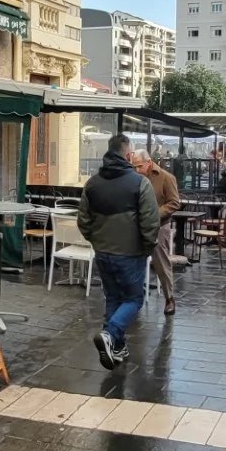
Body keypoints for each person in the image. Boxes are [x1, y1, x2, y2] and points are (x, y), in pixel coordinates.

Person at [79, 134, 160, 370]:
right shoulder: (139, 183)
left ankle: (117, 347)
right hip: (130, 252)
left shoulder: (92, 184)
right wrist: (146, 247)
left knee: (113, 297)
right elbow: (150, 221)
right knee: (134, 299)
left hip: (103, 252)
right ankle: (110, 334)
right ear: (128, 155)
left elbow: (83, 220)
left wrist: (96, 240)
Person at [133, 150, 181, 316]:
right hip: (138, 226)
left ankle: (169, 298)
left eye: (139, 166)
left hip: (159, 226)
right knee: (134, 259)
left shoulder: (166, 177)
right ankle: (134, 296)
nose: (137, 169)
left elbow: (174, 203)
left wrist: (155, 213)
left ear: (149, 162)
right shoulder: (135, 177)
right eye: (134, 166)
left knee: (161, 262)